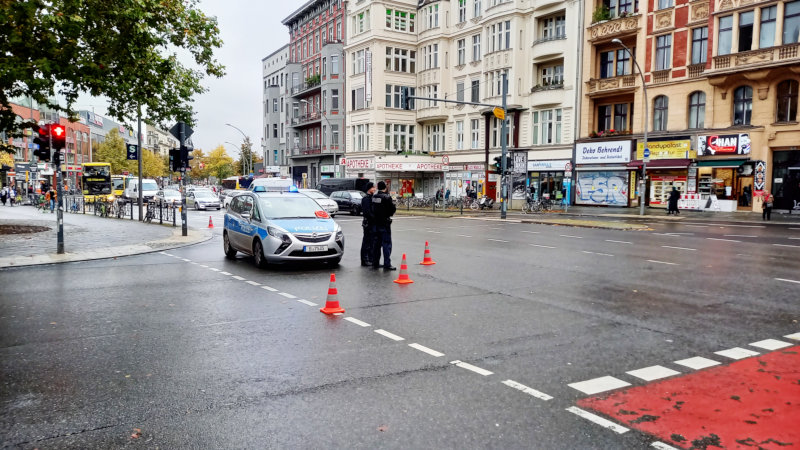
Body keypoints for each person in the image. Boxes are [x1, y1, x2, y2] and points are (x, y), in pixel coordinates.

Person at [371, 181, 396, 271]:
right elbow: (391, 210)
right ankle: (387, 264)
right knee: (386, 244)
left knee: (376, 244)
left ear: (378, 187)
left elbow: (372, 209)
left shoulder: (374, 197)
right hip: (384, 224)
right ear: (385, 188)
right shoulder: (387, 197)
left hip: (376, 223)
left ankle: (375, 262)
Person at [360, 182, 376, 267]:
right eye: (373, 188)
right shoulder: (366, 199)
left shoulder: (371, 198)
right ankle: (364, 260)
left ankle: (370, 259)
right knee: (366, 242)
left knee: (371, 242)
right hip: (368, 223)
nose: (375, 189)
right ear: (369, 189)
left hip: (372, 223)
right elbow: (367, 212)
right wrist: (374, 217)